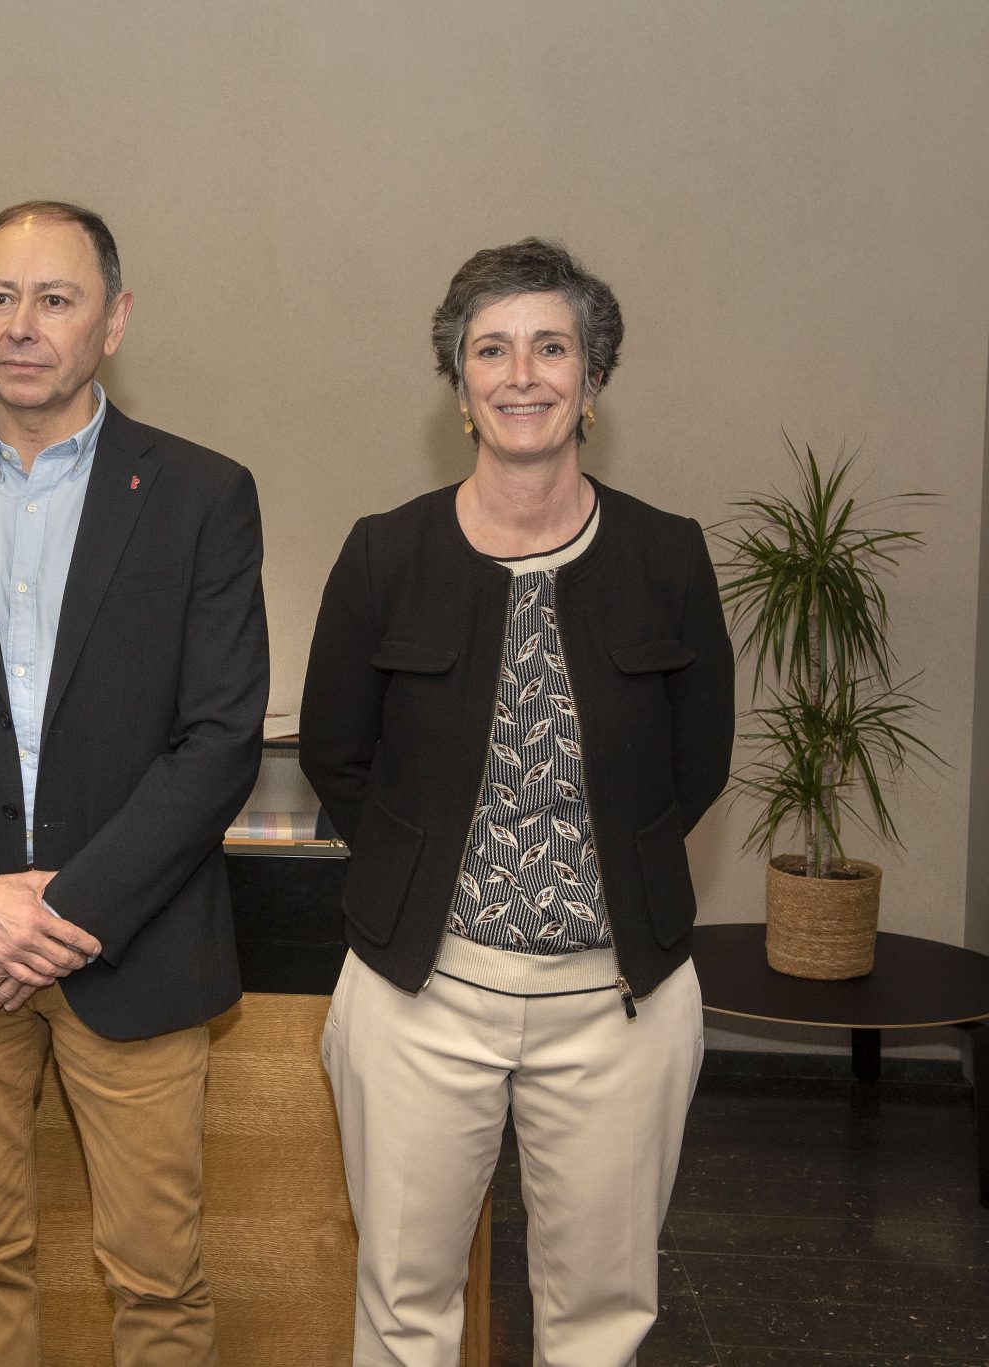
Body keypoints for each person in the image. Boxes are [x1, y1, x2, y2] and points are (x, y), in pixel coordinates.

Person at [0, 200, 269, 1367]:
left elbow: (218, 738)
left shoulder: (199, 493)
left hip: (133, 948)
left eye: (54, 298)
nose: (20, 324)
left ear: (112, 320)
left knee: (157, 1277)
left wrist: (60, 911)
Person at [298, 237, 735, 1365]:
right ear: (459, 385)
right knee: (403, 1307)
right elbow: (338, 756)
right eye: (490, 349)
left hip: (618, 1004)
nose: (522, 373)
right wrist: (423, 883)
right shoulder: (384, 555)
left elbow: (696, 765)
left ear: (592, 378)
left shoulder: (666, 557)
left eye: (551, 346)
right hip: (419, 995)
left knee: (598, 1317)